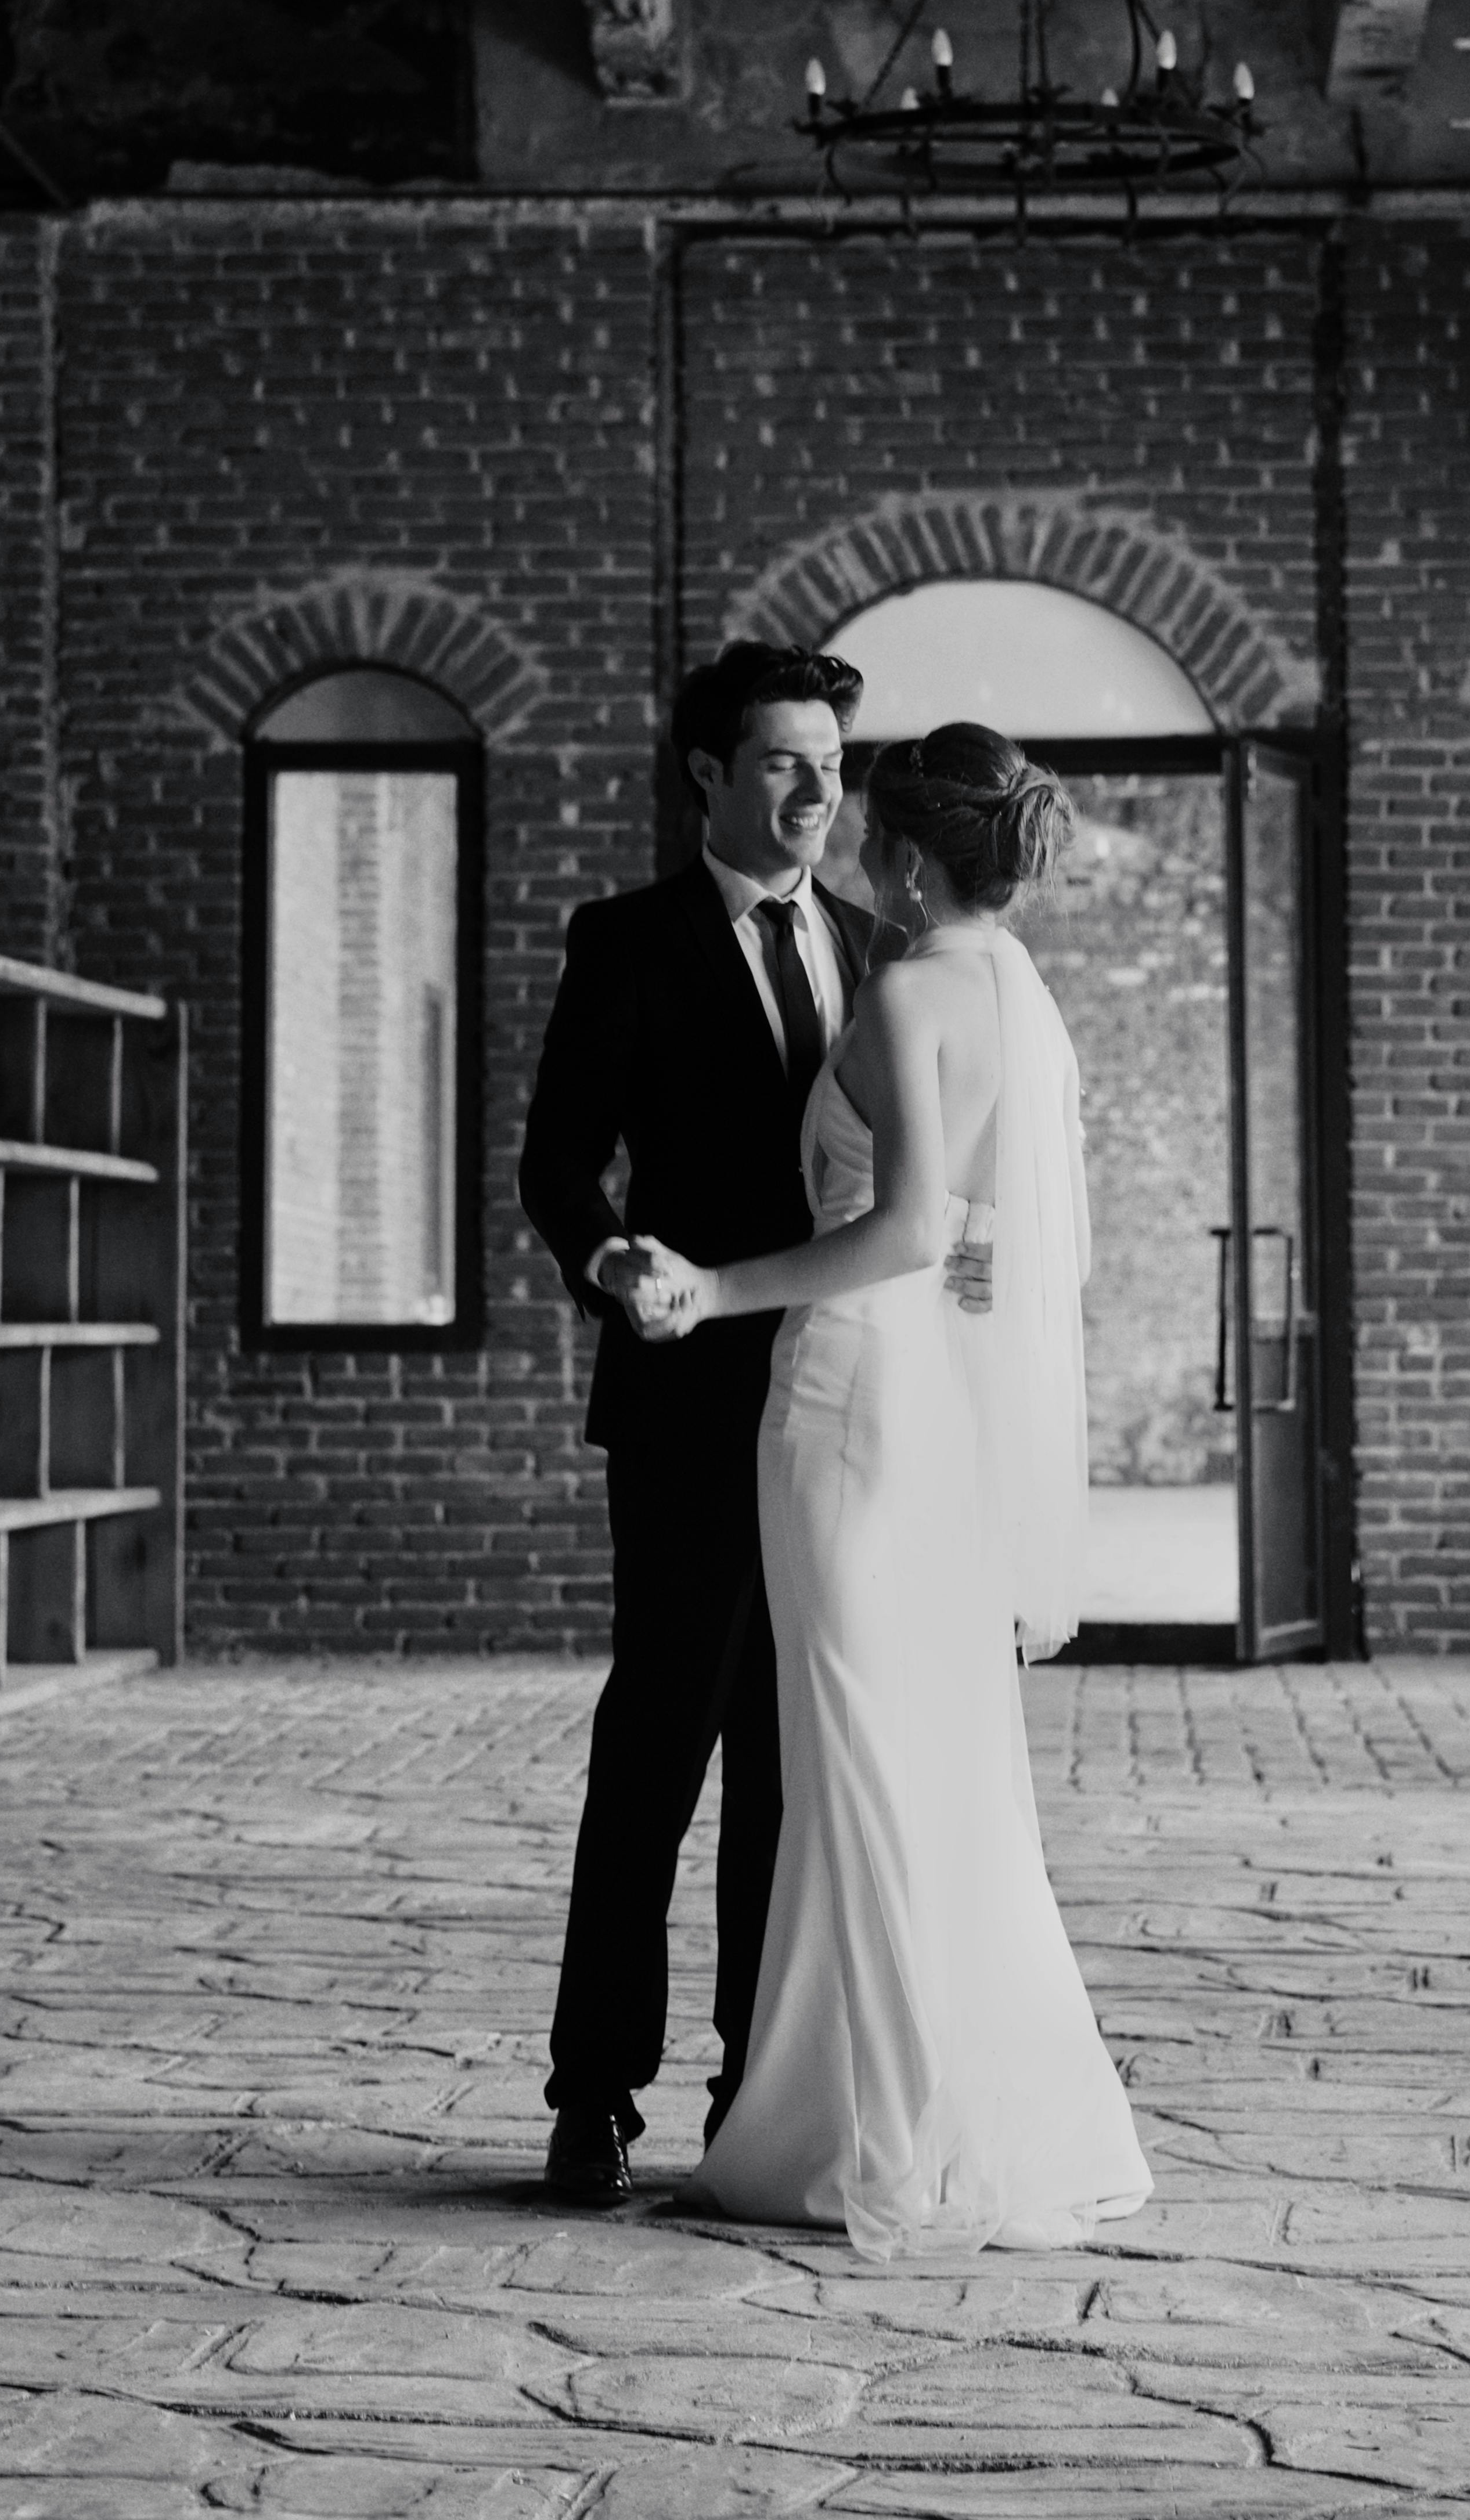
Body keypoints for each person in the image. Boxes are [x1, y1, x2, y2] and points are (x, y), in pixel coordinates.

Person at [634, 722, 1154, 2258]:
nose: (848, 848)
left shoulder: (918, 986)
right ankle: (856, 2107)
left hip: (853, 1401)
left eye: (867, 832)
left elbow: (917, 1226)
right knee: (903, 1759)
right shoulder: (1019, 995)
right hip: (926, 1403)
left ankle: (891, 2134)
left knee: (851, 1758)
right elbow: (990, 1245)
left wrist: (712, 1284)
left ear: (913, 860)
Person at [516, 640, 874, 2205]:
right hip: (683, 1410)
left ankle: (756, 2086)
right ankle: (593, 2091)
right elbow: (553, 1167)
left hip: (843, 1420)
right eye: (788, 761)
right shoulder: (627, 941)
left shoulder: (877, 944)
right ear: (709, 777)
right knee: (654, 1755)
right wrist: (613, 1265)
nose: (819, 790)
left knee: (793, 1773)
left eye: (835, 763)